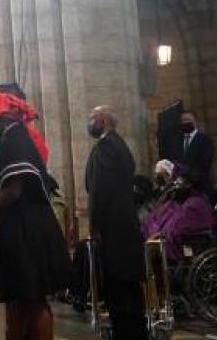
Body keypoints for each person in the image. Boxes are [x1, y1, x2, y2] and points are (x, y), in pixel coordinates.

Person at [0, 84, 72, 340]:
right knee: (18, 298)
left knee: (32, 299)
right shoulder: (8, 138)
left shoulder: (16, 137)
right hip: (19, 226)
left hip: (27, 229)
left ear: (5, 114)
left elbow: (15, 189)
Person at [85, 106, 146, 340]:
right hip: (125, 223)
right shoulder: (120, 145)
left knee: (117, 287)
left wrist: (95, 225)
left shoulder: (104, 147)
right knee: (129, 286)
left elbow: (98, 190)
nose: (89, 123)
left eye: (92, 118)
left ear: (102, 120)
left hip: (112, 228)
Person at [142, 174, 215, 261]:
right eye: (175, 182)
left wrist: (161, 235)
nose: (175, 185)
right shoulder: (175, 202)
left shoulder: (196, 204)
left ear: (189, 185)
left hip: (185, 246)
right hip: (161, 239)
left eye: (179, 183)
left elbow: (180, 228)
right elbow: (154, 218)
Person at [173, 110, 214, 189]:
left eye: (188, 120)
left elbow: (205, 163)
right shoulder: (177, 141)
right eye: (183, 121)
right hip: (181, 186)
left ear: (195, 121)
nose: (185, 123)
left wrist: (188, 173)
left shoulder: (205, 140)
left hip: (199, 185)